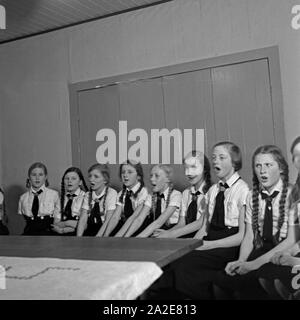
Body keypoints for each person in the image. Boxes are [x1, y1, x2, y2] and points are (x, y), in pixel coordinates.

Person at [143, 141, 249, 299]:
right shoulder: (213, 191)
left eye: (221, 157)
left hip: (228, 244)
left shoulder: (242, 190)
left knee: (186, 265)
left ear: (234, 161)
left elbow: (241, 236)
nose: (215, 161)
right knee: (178, 259)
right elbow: (204, 228)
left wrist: (207, 246)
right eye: (214, 157)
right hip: (210, 239)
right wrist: (191, 246)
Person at [214, 145, 298, 299]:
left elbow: (291, 240)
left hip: (281, 250)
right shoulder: (252, 196)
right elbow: (249, 236)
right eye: (258, 166)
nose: (262, 170)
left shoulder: (293, 193)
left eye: (268, 165)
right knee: (222, 279)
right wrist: (241, 261)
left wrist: (253, 265)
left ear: (280, 168)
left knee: (254, 283)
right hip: (260, 248)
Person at [153, 150, 211, 239]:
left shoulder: (211, 191)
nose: (189, 173)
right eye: (186, 168)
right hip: (187, 234)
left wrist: (171, 235)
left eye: (194, 167)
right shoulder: (186, 193)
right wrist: (166, 233)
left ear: (204, 169)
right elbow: (181, 223)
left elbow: (200, 223)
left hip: (204, 235)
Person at [124, 164, 181, 238]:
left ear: (168, 179)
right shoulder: (151, 196)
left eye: (156, 176)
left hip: (170, 232)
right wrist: (127, 237)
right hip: (155, 231)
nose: (151, 179)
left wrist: (138, 238)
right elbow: (139, 219)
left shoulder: (176, 195)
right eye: (151, 176)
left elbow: (158, 222)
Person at [100, 160, 148, 237]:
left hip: (139, 228)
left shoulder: (143, 192)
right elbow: (115, 217)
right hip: (125, 226)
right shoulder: (121, 194)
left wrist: (119, 237)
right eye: (123, 172)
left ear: (138, 176)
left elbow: (134, 217)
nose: (125, 175)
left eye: (129, 172)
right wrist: (106, 235)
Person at [18, 162, 60, 235]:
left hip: (48, 233)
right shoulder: (23, 198)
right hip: (29, 233)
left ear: (45, 177)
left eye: (40, 175)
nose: (37, 178)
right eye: (34, 175)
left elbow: (57, 218)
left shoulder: (54, 195)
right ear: (29, 177)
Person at [77, 164, 117, 236]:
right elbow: (83, 219)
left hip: (105, 230)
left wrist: (98, 238)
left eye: (96, 177)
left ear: (105, 180)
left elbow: (108, 220)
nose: (91, 179)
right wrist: (79, 238)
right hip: (91, 228)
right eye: (90, 176)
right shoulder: (88, 195)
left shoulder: (111, 193)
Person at [52, 167, 88, 235]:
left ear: (80, 182)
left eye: (73, 178)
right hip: (61, 236)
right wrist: (73, 224)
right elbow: (56, 224)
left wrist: (66, 224)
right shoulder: (60, 199)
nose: (69, 181)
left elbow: (85, 225)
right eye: (67, 178)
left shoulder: (86, 197)